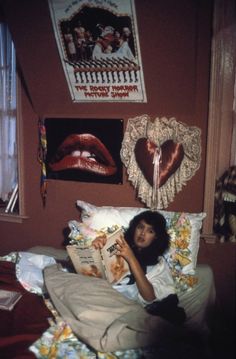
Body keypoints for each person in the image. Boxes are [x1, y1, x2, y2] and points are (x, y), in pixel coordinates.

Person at [93, 210, 186, 324]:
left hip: (126, 309)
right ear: (134, 229)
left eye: (150, 231)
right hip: (100, 297)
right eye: (140, 227)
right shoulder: (116, 246)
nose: (142, 233)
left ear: (156, 237)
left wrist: (131, 258)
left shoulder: (158, 265)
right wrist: (96, 248)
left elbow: (149, 297)